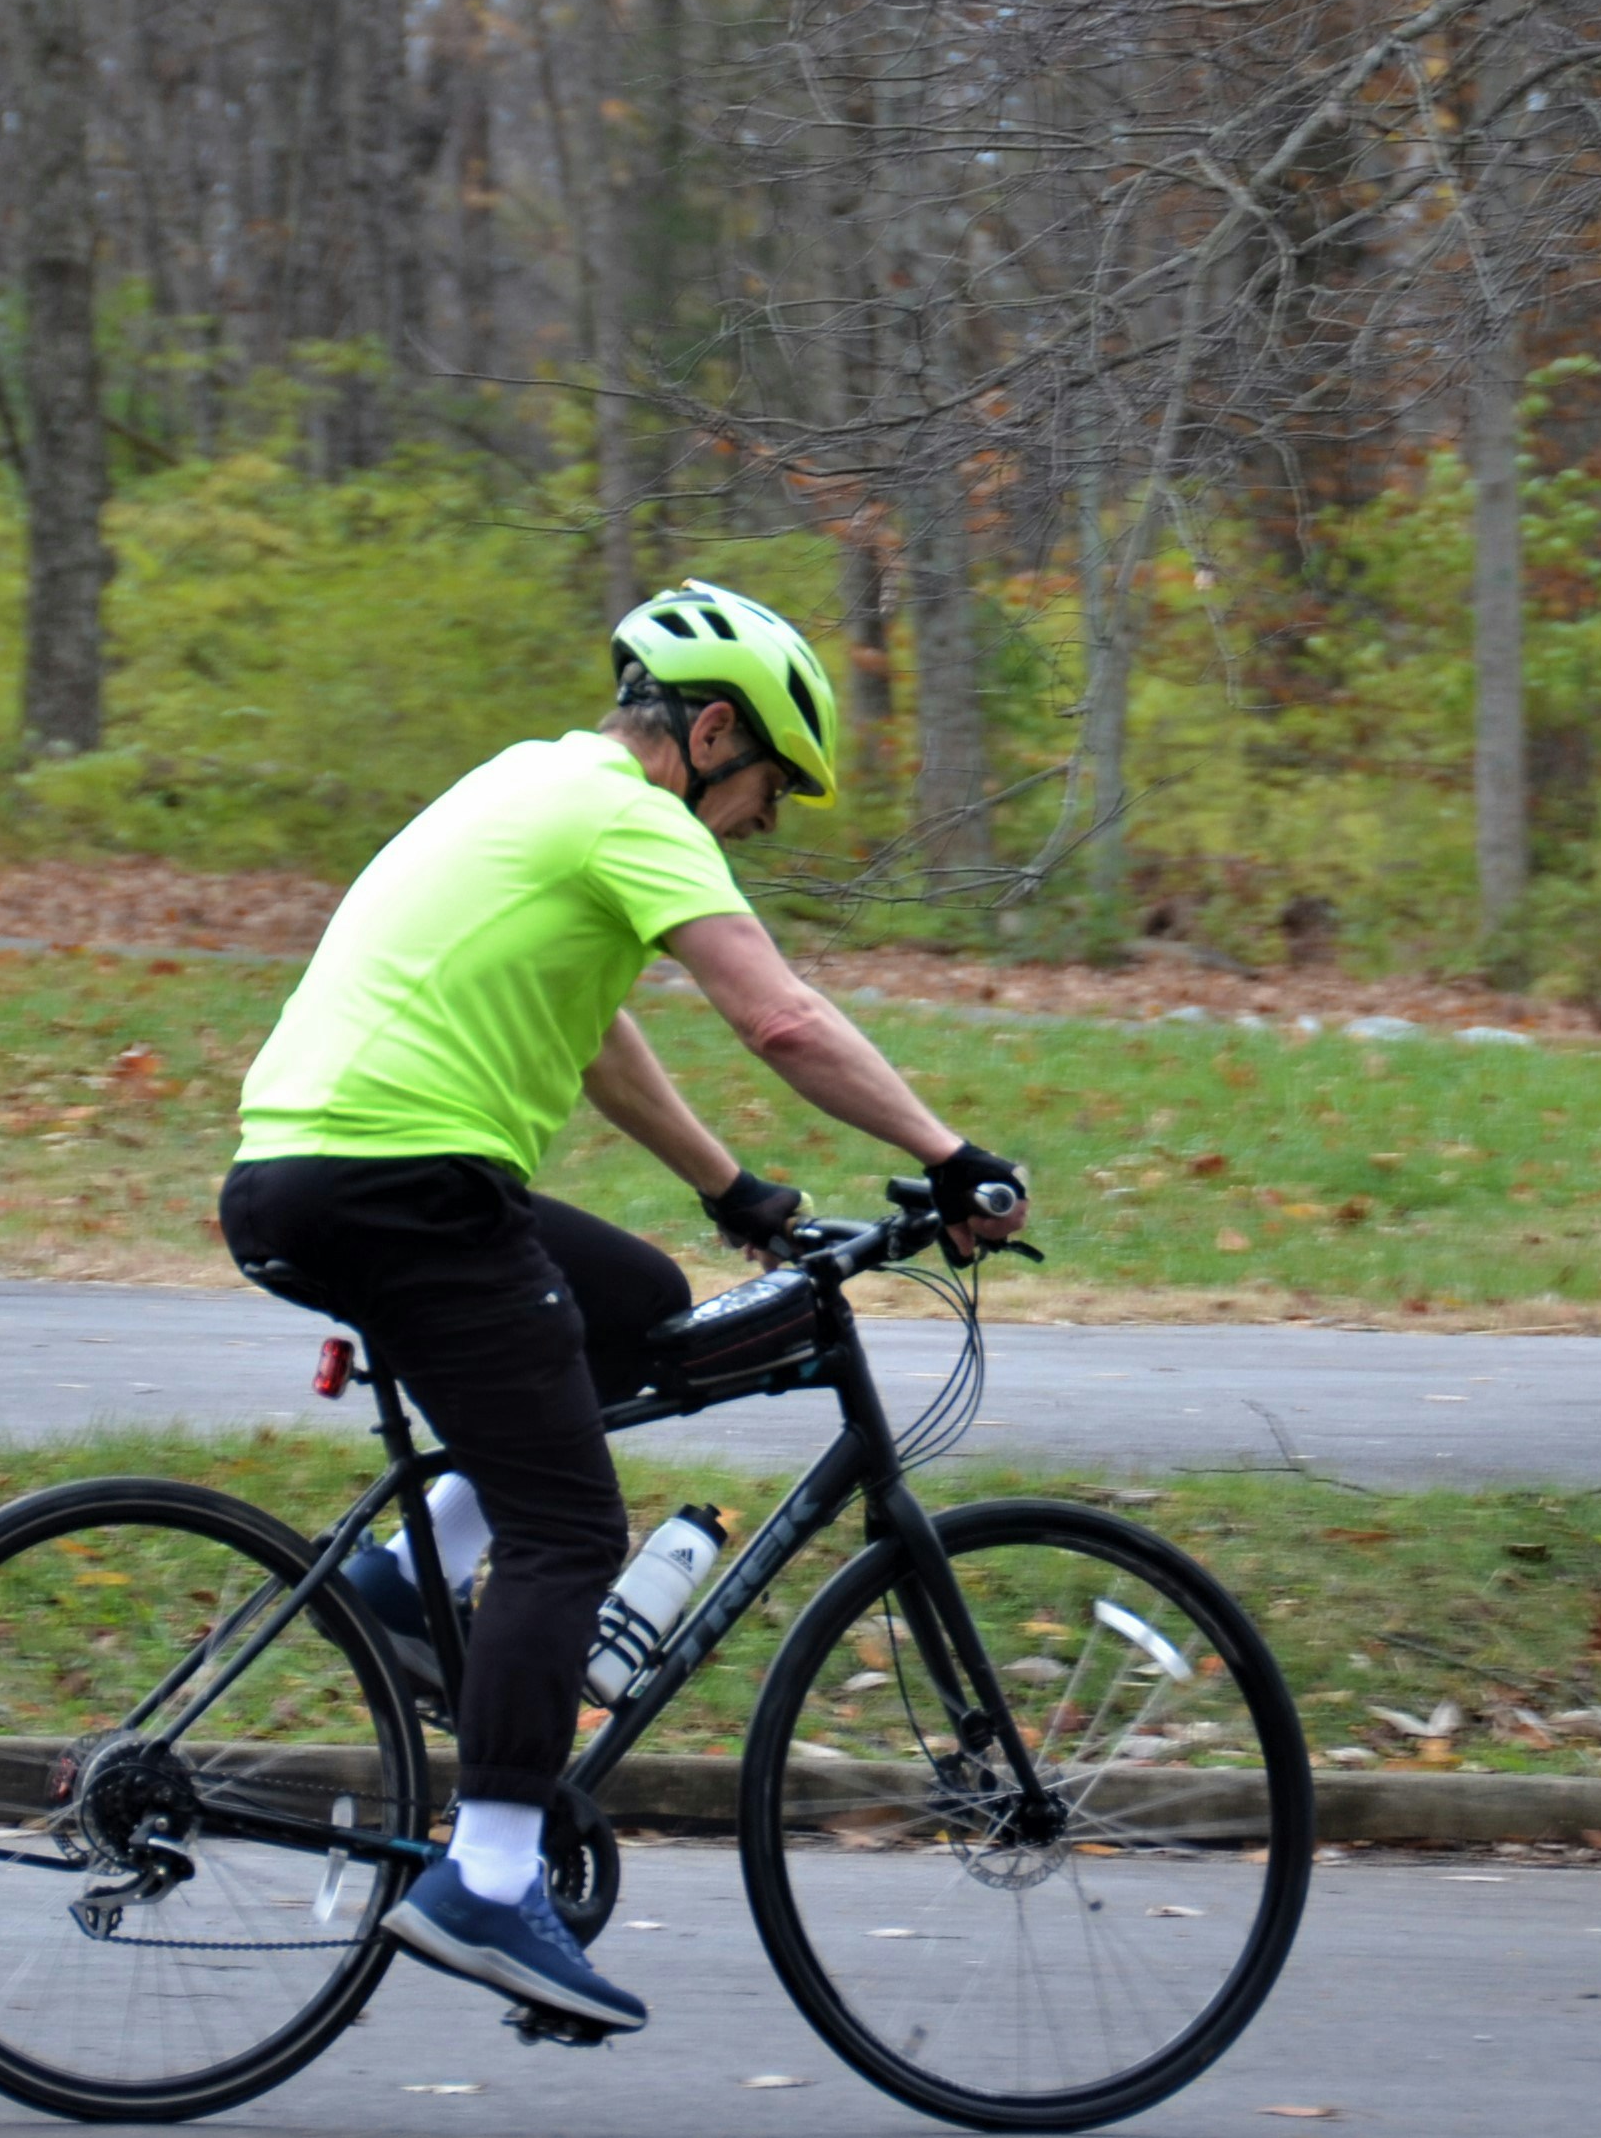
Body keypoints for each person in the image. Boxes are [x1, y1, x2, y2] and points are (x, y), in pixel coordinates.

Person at [216, 582, 1030, 2036]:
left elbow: (593, 1034)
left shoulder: (532, 785)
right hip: (402, 1185)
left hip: (320, 1167)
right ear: (711, 732)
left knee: (638, 1300)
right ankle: (488, 1877)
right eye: (766, 784)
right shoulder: (630, 817)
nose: (761, 822)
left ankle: (409, 1581)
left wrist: (730, 1190)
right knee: (573, 1531)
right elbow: (779, 1016)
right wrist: (950, 1159)